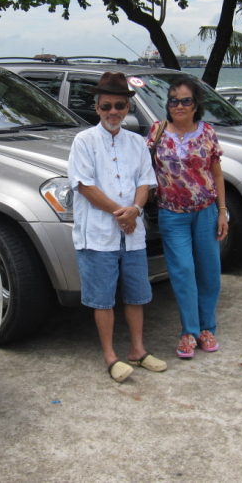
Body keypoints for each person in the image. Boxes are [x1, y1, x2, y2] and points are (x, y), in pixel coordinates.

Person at [67, 71, 168, 383]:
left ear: (128, 108)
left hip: (132, 234)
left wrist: (135, 210)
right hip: (98, 234)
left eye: (120, 106)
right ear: (96, 108)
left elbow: (145, 181)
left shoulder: (137, 142)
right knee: (103, 298)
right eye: (107, 106)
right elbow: (83, 185)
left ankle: (137, 350)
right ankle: (111, 356)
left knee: (137, 294)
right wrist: (120, 213)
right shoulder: (83, 141)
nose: (114, 112)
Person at [147, 77, 229, 359]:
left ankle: (207, 328)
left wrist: (222, 212)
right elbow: (145, 172)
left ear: (196, 105)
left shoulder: (207, 132)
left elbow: (216, 174)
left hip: (206, 213)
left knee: (209, 272)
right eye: (173, 101)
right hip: (172, 215)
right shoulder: (157, 132)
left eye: (186, 100)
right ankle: (188, 332)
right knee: (182, 273)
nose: (179, 106)